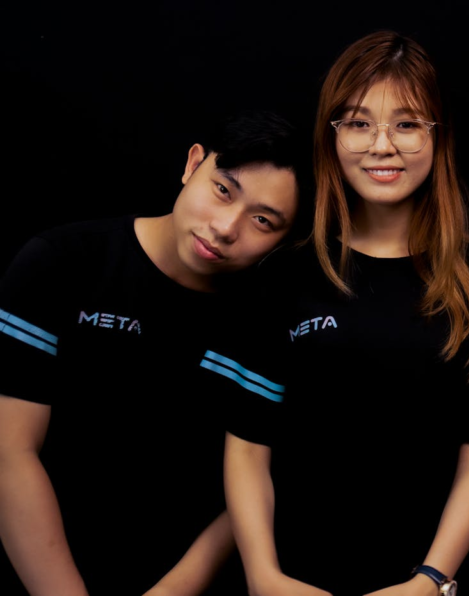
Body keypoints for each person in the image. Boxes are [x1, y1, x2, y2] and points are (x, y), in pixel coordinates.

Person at [206, 31, 469, 596]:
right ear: (332, 135)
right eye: (359, 122)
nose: (382, 145)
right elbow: (247, 447)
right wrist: (264, 577)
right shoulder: (285, 275)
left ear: (438, 137)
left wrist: (430, 580)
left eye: (408, 123)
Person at [0, 109, 303, 595]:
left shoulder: (268, 321)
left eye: (263, 220)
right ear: (192, 164)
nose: (226, 227)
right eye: (223, 190)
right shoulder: (62, 262)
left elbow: (256, 480)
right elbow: (9, 453)